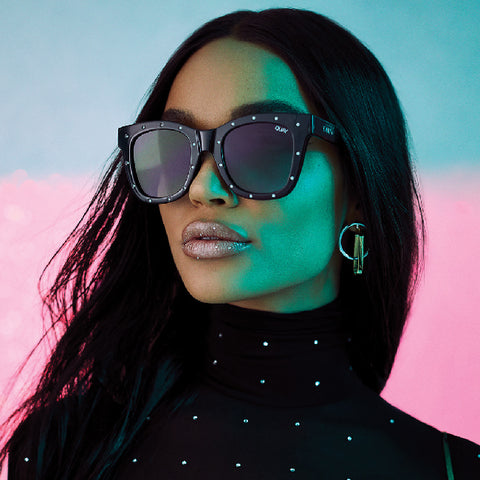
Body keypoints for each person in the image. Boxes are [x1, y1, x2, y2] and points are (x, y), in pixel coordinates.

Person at [2, 8, 479, 480]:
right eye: (173, 147)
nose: (202, 188)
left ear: (358, 191)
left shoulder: (451, 469)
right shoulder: (63, 445)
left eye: (260, 146)